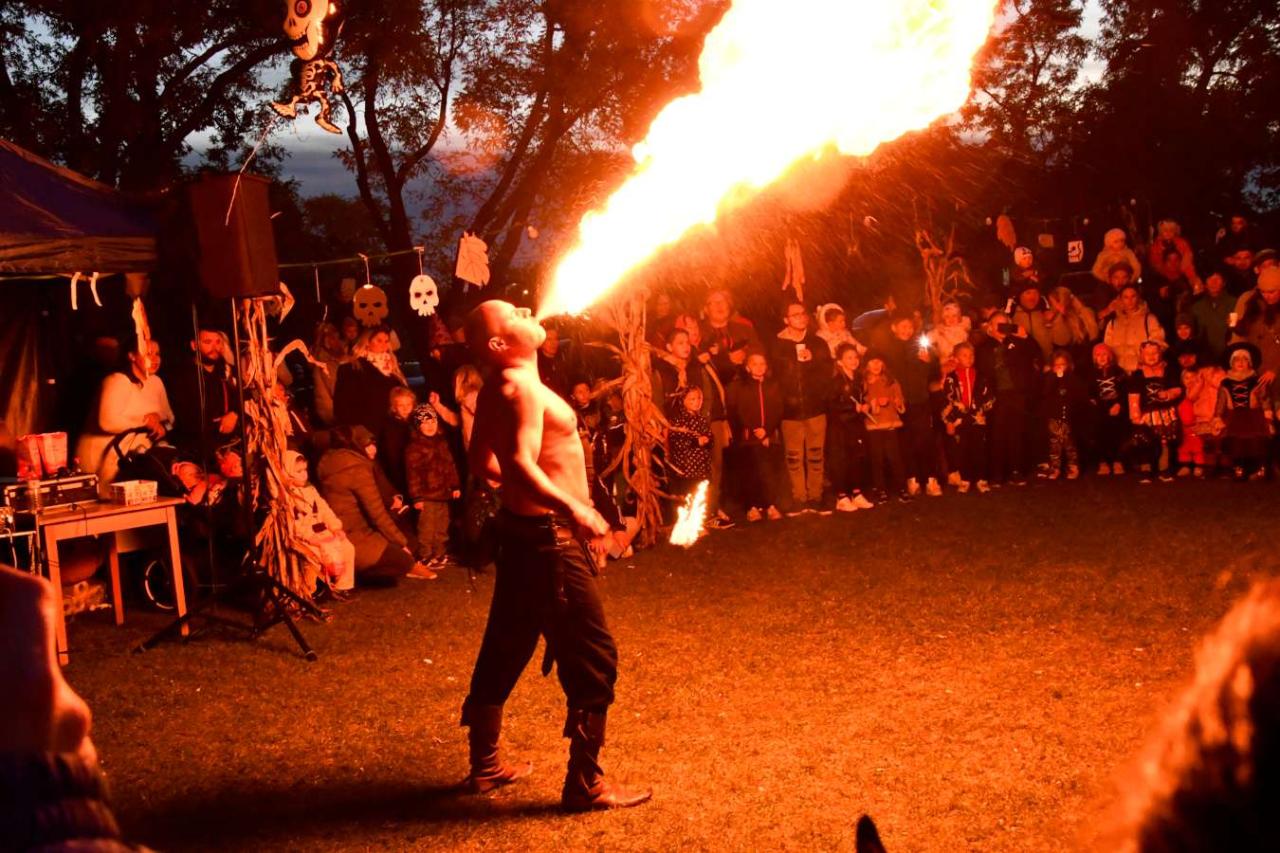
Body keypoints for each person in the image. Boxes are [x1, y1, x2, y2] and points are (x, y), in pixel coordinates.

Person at [459, 300, 650, 811]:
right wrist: (574, 508)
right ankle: (585, 784)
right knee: (593, 657)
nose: (527, 309)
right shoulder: (519, 387)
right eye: (513, 314)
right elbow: (519, 463)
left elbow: (482, 461)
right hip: (549, 542)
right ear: (498, 343)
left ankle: (485, 766)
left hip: (524, 536)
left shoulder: (500, 387)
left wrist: (523, 497)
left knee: (506, 645)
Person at [316, 425, 430, 582]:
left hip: (344, 532)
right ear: (356, 445)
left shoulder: (330, 461)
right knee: (405, 556)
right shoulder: (356, 467)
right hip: (355, 536)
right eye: (367, 445)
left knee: (406, 540)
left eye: (373, 444)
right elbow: (377, 514)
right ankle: (360, 573)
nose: (373, 449)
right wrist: (402, 544)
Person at [75, 337, 175, 496]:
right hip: (104, 459)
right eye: (148, 354)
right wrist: (145, 422)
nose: (155, 359)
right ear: (132, 356)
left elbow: (170, 417)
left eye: (157, 354)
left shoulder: (156, 382)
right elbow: (107, 422)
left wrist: (162, 424)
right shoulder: (117, 381)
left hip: (135, 458)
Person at [773, 301, 832, 514]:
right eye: (794, 314)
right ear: (786, 320)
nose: (800, 317)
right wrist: (783, 401)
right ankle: (799, 497)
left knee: (816, 455)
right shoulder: (778, 346)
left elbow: (828, 372)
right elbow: (774, 377)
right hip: (790, 412)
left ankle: (815, 496)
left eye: (802, 313)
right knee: (794, 457)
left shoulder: (818, 343)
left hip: (815, 408)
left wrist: (813, 361)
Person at [977, 312, 1042, 486]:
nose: (1001, 327)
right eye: (998, 324)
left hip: (1017, 393)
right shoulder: (983, 347)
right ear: (990, 327)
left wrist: (1025, 337)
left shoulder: (1018, 342)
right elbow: (983, 371)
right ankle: (997, 473)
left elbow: (1037, 354)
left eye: (1005, 324)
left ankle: (1016, 471)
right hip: (996, 395)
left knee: (1017, 432)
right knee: (997, 434)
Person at [883, 311, 941, 497]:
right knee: (905, 442)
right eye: (903, 326)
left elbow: (935, 374)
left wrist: (929, 362)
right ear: (894, 328)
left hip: (920, 400)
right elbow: (885, 375)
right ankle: (912, 478)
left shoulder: (920, 346)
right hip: (899, 402)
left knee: (925, 439)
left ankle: (930, 478)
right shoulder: (888, 349)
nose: (907, 330)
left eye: (910, 327)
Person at [283, 450, 355, 598]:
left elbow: (324, 510)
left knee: (347, 548)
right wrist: (309, 537)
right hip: (305, 537)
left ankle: (343, 585)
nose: (304, 475)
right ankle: (309, 591)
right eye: (298, 471)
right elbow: (291, 523)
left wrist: (335, 527)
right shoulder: (287, 497)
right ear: (287, 472)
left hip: (322, 531)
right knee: (313, 557)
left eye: (305, 470)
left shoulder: (311, 490)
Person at [726, 351, 786, 521]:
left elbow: (777, 409)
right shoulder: (740, 387)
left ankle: (770, 505)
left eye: (762, 364)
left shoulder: (773, 385)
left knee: (769, 472)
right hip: (748, 438)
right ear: (747, 367)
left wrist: (766, 431)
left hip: (768, 436)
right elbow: (739, 411)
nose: (759, 367)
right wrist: (755, 430)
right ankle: (751, 507)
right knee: (750, 472)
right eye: (755, 364)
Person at [405, 404, 461, 570]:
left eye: (432, 422)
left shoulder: (442, 443)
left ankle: (439, 553)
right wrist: (417, 497)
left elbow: (450, 465)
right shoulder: (414, 448)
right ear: (418, 426)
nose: (430, 426)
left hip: (443, 494)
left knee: (442, 525)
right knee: (427, 528)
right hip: (426, 496)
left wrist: (455, 485)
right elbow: (413, 475)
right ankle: (425, 555)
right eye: (425, 423)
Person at [167, 326, 238, 456]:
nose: (215, 348)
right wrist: (221, 424)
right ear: (194, 345)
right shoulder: (182, 377)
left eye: (218, 342)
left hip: (229, 446)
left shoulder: (225, 372)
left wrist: (234, 414)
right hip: (196, 450)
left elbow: (244, 396)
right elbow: (186, 421)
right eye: (208, 342)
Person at [825, 344, 875, 511]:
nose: (854, 361)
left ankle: (856, 493)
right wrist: (852, 408)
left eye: (855, 357)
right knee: (841, 460)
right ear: (840, 362)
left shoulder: (858, 379)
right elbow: (831, 405)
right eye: (849, 358)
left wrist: (866, 406)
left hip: (855, 424)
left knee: (856, 459)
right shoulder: (835, 381)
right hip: (840, 426)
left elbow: (862, 399)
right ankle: (841, 497)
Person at [333, 326, 407, 436]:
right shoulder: (352, 368)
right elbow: (342, 406)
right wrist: (359, 433)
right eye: (379, 341)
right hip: (369, 431)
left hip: (394, 429)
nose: (384, 345)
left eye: (386, 341)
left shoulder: (392, 367)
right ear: (367, 342)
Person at [1125, 341, 1182, 483]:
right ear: (1141, 356)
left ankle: (1164, 469)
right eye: (1147, 354)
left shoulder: (1168, 371)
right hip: (1146, 415)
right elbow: (1133, 396)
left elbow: (1178, 389)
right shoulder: (1138, 375)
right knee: (1144, 442)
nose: (1151, 356)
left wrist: (1168, 394)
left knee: (1164, 442)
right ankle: (1146, 469)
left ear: (1160, 354)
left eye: (1154, 353)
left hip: (1165, 414)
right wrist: (1135, 416)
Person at [940, 342, 993, 493]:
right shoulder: (951, 378)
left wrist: (982, 411)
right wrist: (949, 421)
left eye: (971, 355)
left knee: (980, 449)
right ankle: (965, 479)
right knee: (962, 450)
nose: (969, 358)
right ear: (956, 358)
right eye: (964, 355)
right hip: (960, 420)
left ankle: (981, 479)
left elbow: (989, 396)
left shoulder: (981, 376)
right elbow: (947, 400)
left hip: (977, 419)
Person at [1217, 345, 1272, 480]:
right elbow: (1221, 402)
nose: (1240, 362)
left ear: (1250, 363)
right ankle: (1239, 467)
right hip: (1234, 417)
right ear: (1232, 363)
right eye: (1237, 359)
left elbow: (1264, 398)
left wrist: (1268, 413)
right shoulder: (1225, 383)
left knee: (1256, 442)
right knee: (1236, 443)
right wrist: (1217, 416)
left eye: (1244, 359)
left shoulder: (1256, 380)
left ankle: (1259, 469)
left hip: (1253, 416)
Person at [862, 352, 907, 502]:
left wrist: (896, 401)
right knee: (877, 458)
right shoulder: (864, 383)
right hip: (874, 425)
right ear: (866, 365)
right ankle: (880, 489)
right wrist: (873, 403)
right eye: (872, 362)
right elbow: (863, 401)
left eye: (878, 362)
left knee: (894, 457)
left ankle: (901, 488)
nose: (876, 365)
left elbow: (899, 398)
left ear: (883, 364)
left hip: (890, 424)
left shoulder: (891, 381)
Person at [1040, 350, 1086, 480]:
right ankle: (1055, 467)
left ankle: (1073, 467)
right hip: (1054, 417)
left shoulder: (1073, 379)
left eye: (1063, 364)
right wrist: (1054, 377)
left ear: (1068, 365)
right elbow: (1046, 393)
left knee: (1070, 443)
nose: (1060, 367)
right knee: (1054, 444)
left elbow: (1078, 395)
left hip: (1069, 417)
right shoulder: (1049, 379)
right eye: (1057, 365)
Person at [1086, 343, 1130, 476]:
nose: (1101, 357)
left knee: (1118, 432)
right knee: (1099, 431)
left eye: (1104, 354)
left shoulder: (1119, 372)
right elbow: (1089, 391)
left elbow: (1126, 390)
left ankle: (1118, 460)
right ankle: (1103, 461)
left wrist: (1119, 404)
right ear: (1094, 357)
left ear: (1110, 356)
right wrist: (1091, 400)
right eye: (1098, 355)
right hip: (1099, 406)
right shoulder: (1091, 373)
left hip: (1116, 404)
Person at [1103, 284, 1166, 372]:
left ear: (1138, 298)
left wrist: (1143, 363)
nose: (1130, 301)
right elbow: (1107, 349)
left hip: (1141, 371)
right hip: (1118, 372)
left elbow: (1158, 342)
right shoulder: (1113, 323)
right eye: (1126, 297)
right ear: (1120, 299)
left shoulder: (1149, 320)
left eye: (1133, 296)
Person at [1231, 267, 1280, 379]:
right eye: (1263, 292)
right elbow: (1246, 334)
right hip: (1255, 369)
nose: (1267, 296)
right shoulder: (1254, 306)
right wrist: (1236, 326)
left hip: (1274, 370)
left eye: (1272, 292)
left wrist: (1275, 370)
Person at [666, 386, 713, 499]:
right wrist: (696, 442)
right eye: (692, 399)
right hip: (687, 468)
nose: (697, 402)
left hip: (702, 467)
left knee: (702, 495)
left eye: (699, 398)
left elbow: (710, 436)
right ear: (683, 400)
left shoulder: (702, 419)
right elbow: (676, 442)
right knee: (688, 496)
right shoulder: (679, 421)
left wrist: (708, 440)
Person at [1189, 270, 1235, 361]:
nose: (1214, 282)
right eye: (1210, 279)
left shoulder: (1234, 303)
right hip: (1205, 358)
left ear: (1224, 283)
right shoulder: (1197, 307)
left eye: (1217, 279)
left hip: (1229, 355)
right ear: (1205, 283)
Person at [311, 321, 350, 426]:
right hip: (333, 413)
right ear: (325, 341)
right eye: (333, 338)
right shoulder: (325, 362)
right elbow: (335, 388)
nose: (338, 342)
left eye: (338, 337)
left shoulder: (336, 357)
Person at [380, 386, 416, 498]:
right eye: (401, 405)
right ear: (394, 407)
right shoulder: (390, 427)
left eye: (408, 405)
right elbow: (392, 458)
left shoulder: (414, 422)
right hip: (401, 476)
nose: (406, 409)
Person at [537, 325, 569, 399]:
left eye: (556, 339)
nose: (554, 343)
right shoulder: (536, 365)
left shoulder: (564, 359)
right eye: (549, 339)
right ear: (541, 343)